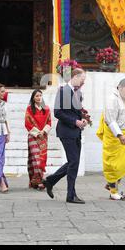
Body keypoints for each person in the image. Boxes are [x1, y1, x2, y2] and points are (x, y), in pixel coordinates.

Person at [43, 68, 88, 204]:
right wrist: (75, 121)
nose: (83, 83)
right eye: (82, 79)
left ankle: (51, 181)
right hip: (66, 131)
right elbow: (58, 112)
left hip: (76, 131)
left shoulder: (78, 93)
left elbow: (76, 112)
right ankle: (70, 195)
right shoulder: (63, 91)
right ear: (74, 76)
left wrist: (84, 118)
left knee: (73, 162)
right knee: (73, 162)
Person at [97, 78, 125, 200]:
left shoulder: (122, 99)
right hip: (114, 137)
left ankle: (111, 185)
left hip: (124, 133)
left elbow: (121, 116)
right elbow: (110, 120)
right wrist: (119, 135)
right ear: (119, 87)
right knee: (114, 166)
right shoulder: (112, 99)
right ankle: (113, 192)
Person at [25, 89, 52, 190]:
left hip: (43, 137)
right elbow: (27, 123)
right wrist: (37, 133)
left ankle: (34, 181)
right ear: (33, 98)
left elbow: (49, 123)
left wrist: (43, 132)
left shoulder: (47, 109)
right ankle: (39, 181)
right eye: (36, 96)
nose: (39, 97)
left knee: (42, 159)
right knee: (35, 159)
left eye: (40, 95)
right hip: (33, 136)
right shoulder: (29, 109)